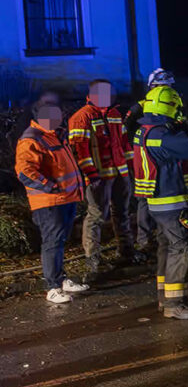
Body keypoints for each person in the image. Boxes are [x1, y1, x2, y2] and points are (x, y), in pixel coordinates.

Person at [129, 85, 188, 319]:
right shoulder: (161, 135)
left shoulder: (146, 130)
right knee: (181, 248)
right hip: (171, 202)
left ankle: (166, 297)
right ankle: (174, 304)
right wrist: (186, 129)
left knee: (166, 246)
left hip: (157, 203)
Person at [15, 98, 91, 304]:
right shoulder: (32, 139)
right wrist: (50, 186)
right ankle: (52, 287)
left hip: (64, 198)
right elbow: (25, 171)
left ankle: (60, 279)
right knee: (52, 242)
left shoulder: (54, 135)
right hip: (49, 202)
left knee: (59, 241)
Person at [67, 79, 134, 277]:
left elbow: (124, 143)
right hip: (98, 177)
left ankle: (126, 250)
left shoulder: (114, 114)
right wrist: (91, 174)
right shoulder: (81, 118)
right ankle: (93, 259)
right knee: (96, 215)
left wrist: (131, 168)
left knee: (122, 212)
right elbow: (80, 151)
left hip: (120, 173)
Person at [124, 68, 176, 259]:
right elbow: (125, 130)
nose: (165, 90)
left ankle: (167, 234)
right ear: (151, 87)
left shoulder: (173, 103)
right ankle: (145, 240)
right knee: (144, 198)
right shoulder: (139, 108)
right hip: (144, 158)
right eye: (161, 86)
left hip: (168, 158)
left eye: (168, 86)